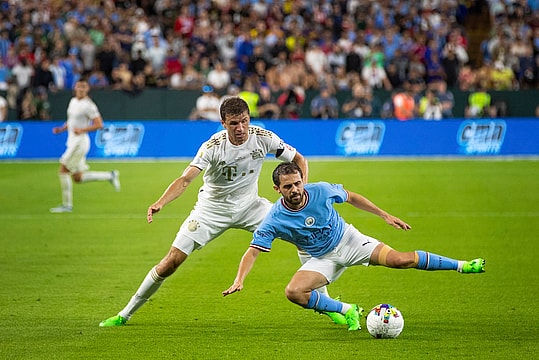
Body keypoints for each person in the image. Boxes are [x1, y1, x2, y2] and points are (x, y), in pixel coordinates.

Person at [99, 97, 311, 327]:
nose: (240, 129)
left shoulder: (263, 137)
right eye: (233, 124)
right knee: (171, 262)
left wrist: (303, 191)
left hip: (250, 206)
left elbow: (299, 159)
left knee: (304, 235)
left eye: (244, 121)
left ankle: (329, 305)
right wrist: (161, 202)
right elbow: (185, 179)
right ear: (223, 123)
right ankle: (125, 314)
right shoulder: (212, 146)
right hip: (211, 210)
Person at [223, 162, 485, 331]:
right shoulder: (273, 219)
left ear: (303, 179)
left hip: (349, 241)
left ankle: (463, 266)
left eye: (298, 183)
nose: (295, 189)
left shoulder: (322, 191)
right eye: (288, 186)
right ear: (277, 189)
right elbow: (253, 250)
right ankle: (347, 310)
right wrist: (239, 279)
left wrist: (383, 214)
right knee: (294, 292)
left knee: (401, 260)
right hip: (319, 258)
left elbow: (351, 197)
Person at [50, 79, 120, 213]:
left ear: (87, 89)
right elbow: (71, 120)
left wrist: (82, 130)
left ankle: (67, 205)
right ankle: (110, 176)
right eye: (79, 86)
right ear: (75, 87)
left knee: (63, 170)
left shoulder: (89, 105)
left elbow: (100, 124)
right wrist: (62, 129)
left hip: (79, 142)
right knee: (77, 177)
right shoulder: (73, 101)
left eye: (84, 87)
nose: (81, 89)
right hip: (72, 140)